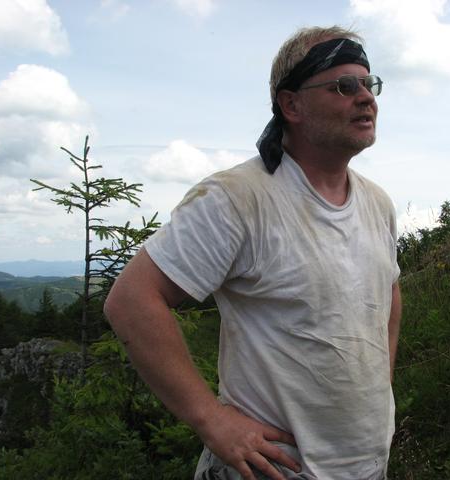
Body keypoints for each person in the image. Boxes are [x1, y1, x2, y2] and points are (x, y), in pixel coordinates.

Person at [104, 25, 402, 480]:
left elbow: (387, 297)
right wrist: (212, 420)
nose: (365, 98)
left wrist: (380, 390)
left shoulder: (377, 203)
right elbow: (131, 300)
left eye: (368, 83)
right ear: (291, 105)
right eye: (344, 86)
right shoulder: (238, 198)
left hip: (367, 462)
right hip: (276, 466)